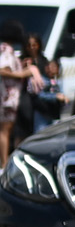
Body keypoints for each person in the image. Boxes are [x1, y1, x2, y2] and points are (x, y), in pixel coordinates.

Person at [0, 20, 37, 164]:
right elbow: (2, 70)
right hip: (7, 97)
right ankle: (3, 164)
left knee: (6, 130)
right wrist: (22, 74)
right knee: (4, 130)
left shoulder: (5, 49)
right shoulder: (6, 50)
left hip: (7, 97)